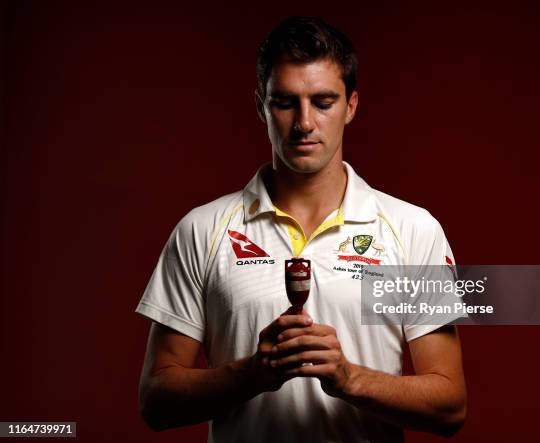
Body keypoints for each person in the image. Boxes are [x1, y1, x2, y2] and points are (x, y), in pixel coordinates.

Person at [136, 16, 466, 442]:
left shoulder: (412, 230)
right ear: (261, 106)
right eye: (286, 102)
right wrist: (251, 373)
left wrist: (350, 378)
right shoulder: (202, 230)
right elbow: (156, 401)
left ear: (351, 105)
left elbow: (451, 405)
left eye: (323, 102)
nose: (304, 123)